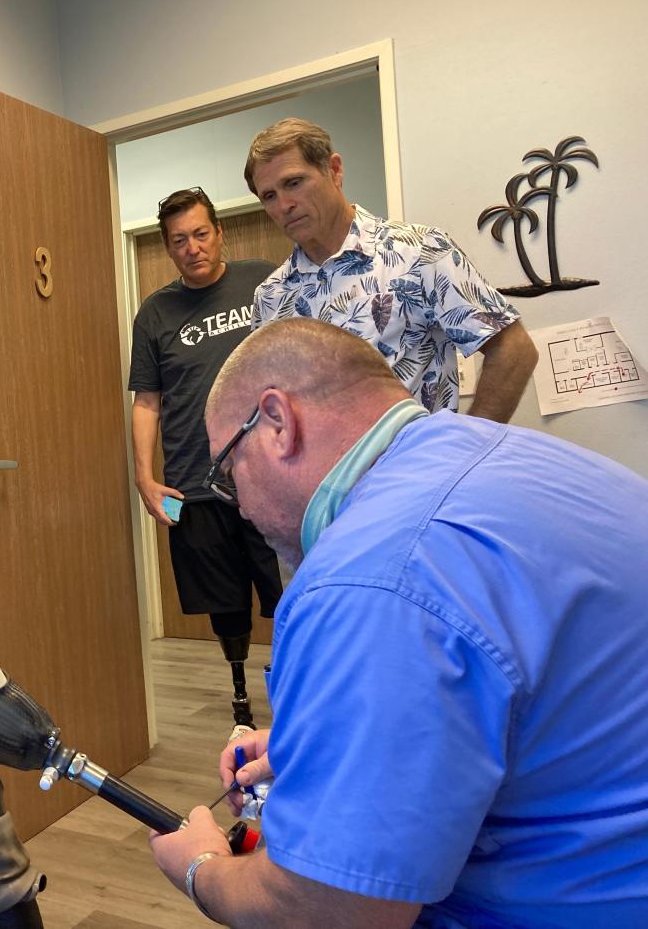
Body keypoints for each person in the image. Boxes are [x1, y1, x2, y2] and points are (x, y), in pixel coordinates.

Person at [149, 318, 648, 927]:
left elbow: (330, 913)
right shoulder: (514, 457)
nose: (241, 507)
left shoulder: (368, 579)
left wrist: (202, 868)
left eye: (228, 472)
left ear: (276, 423)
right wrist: (323, 739)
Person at [247, 118, 538, 422]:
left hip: (415, 465)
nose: (284, 204)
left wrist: (468, 449)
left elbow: (514, 351)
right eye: (269, 196)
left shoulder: (419, 251)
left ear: (334, 170)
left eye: (294, 183)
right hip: (319, 471)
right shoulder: (271, 296)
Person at [128, 187, 282, 732]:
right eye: (178, 241)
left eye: (200, 234)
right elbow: (147, 400)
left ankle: (299, 688)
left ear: (219, 232)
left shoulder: (266, 282)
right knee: (224, 601)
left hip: (273, 476)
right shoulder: (156, 312)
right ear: (168, 248)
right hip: (196, 482)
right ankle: (239, 692)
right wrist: (145, 479)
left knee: (290, 592)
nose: (192, 248)